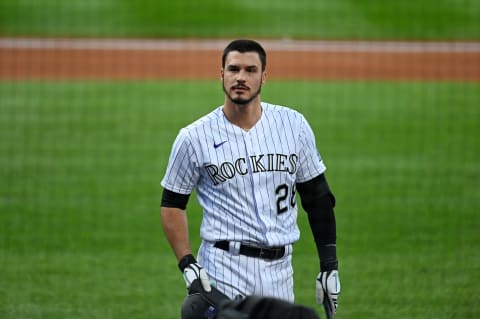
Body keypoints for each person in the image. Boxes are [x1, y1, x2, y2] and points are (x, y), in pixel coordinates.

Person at [160, 39, 340, 314]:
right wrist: (187, 264)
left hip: (280, 273)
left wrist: (329, 264)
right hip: (223, 271)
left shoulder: (293, 125)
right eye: (233, 69)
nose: (240, 77)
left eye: (250, 70)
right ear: (221, 74)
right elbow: (172, 203)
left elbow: (317, 196)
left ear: (264, 76)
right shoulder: (194, 137)